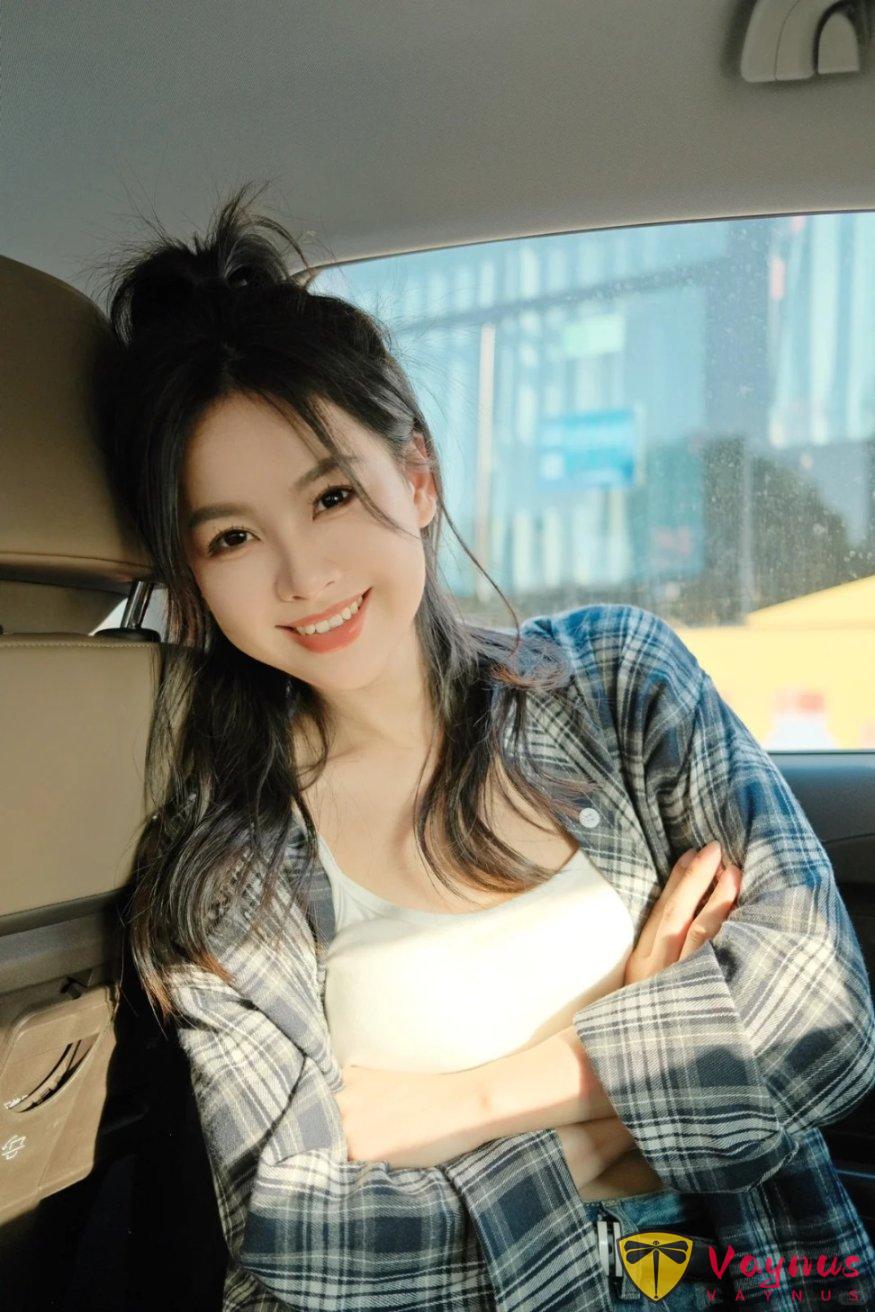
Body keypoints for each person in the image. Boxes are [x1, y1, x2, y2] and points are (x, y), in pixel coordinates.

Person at [91, 181, 875, 1311]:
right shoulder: (219, 872)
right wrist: (638, 1103)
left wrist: (461, 1106)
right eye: (231, 537)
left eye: (330, 497)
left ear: (416, 478)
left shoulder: (617, 682)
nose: (303, 576)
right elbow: (306, 1242)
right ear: (192, 575)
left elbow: (823, 1021)